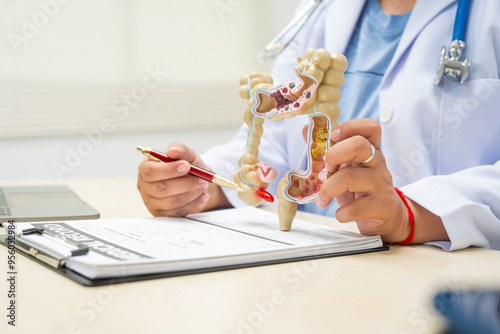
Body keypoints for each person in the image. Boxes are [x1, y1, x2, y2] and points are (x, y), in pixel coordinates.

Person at [137, 0, 500, 251]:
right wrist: (205, 184)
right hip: (306, 257)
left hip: (430, 274)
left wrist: (410, 215)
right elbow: (275, 135)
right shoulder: (324, 8)